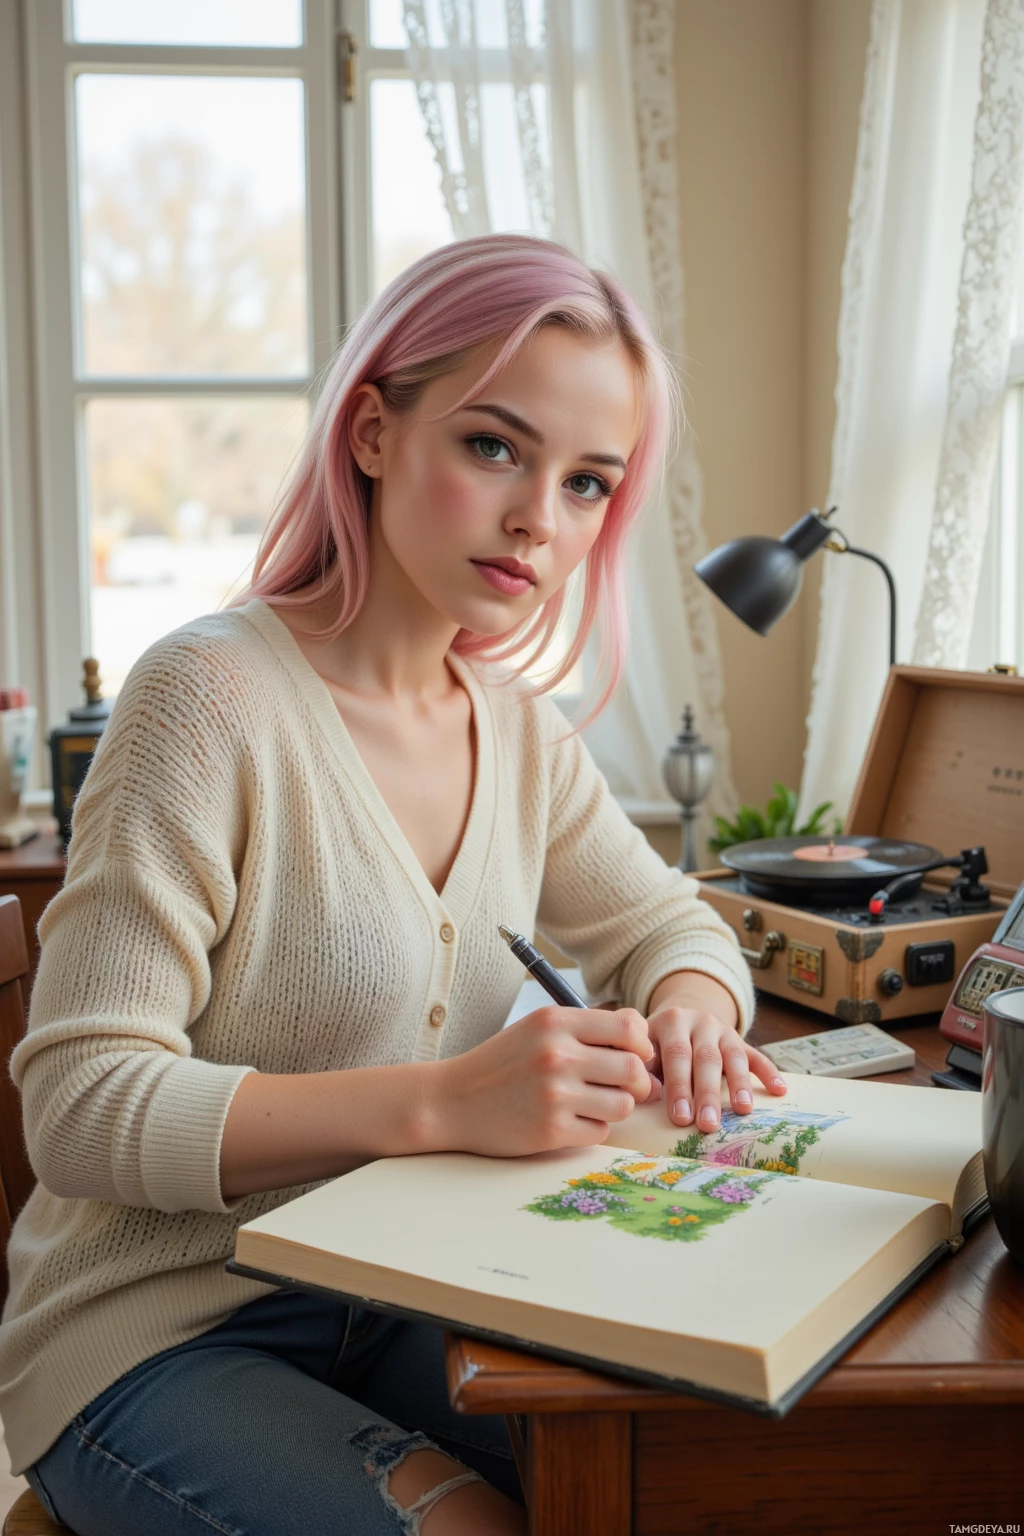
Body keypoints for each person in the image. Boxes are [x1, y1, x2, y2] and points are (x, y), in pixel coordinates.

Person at [0, 233, 785, 1536]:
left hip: (412, 1287)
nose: (540, 519)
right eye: (494, 447)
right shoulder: (205, 699)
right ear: (371, 432)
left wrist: (696, 1009)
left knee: (692, 1482)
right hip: (159, 1330)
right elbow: (80, 1108)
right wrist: (446, 1101)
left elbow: (666, 921)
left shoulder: (518, 730)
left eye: (588, 482)